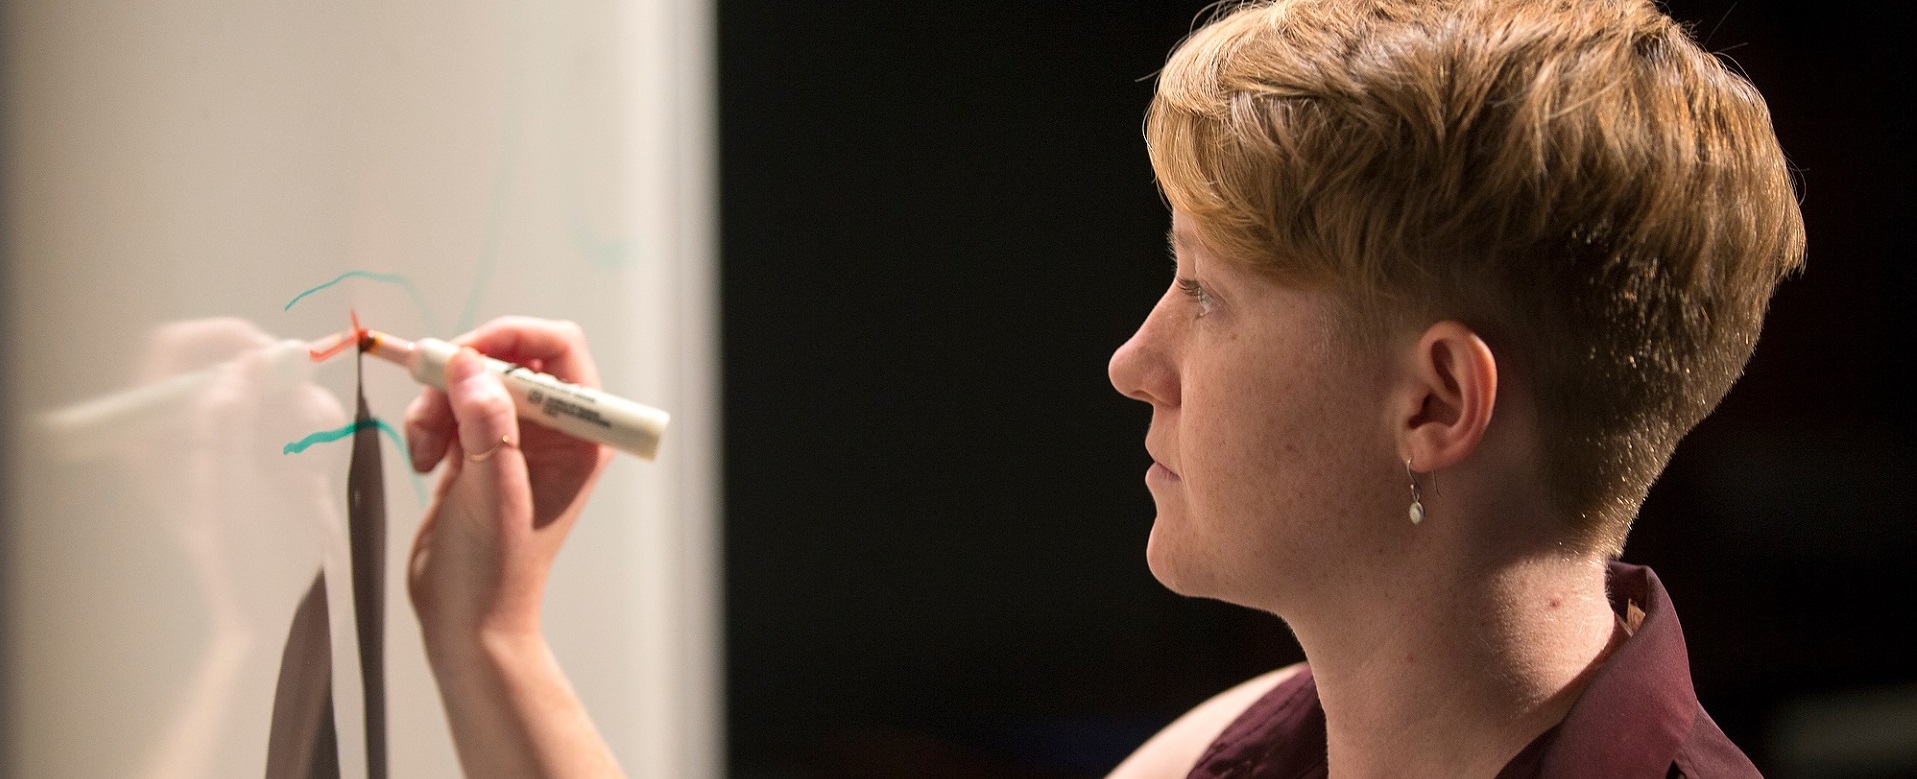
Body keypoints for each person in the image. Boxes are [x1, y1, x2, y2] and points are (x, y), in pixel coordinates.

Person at [402, 0, 1803, 775]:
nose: (1137, 360)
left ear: (1433, 404)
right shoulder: (1237, 753)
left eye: (1203, 292)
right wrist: (494, 641)